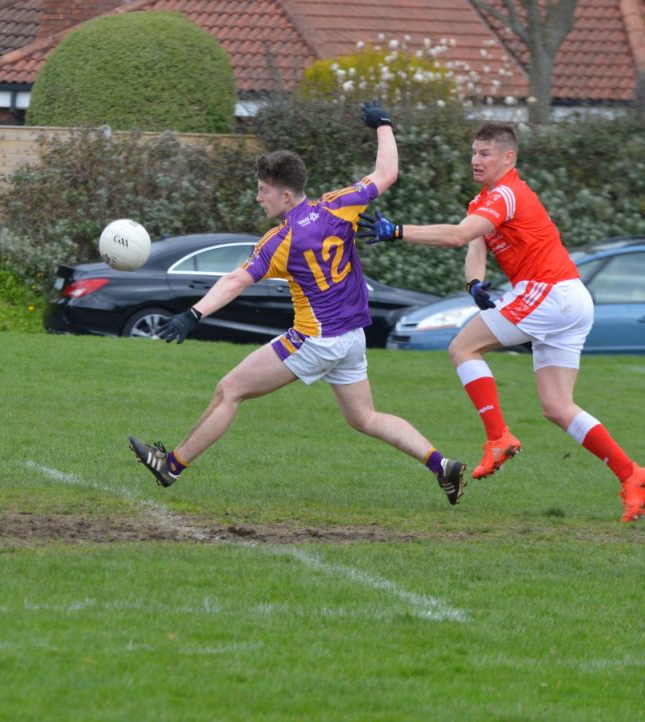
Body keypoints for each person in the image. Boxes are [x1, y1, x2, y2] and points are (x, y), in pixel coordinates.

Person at [128, 103, 468, 507]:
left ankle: (172, 466)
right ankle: (441, 465)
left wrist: (193, 314)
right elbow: (387, 173)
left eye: (263, 190)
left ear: (285, 194)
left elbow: (236, 279)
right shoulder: (339, 204)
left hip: (314, 339)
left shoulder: (279, 241)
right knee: (365, 418)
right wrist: (383, 124)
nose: (258, 198)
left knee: (229, 390)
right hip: (351, 338)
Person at [359, 122, 645, 522]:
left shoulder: (508, 193)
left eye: (485, 154)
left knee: (462, 347)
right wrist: (474, 283)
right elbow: (474, 246)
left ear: (508, 158)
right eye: (474, 152)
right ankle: (632, 474)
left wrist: (398, 231)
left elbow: (459, 236)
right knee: (557, 406)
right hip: (570, 298)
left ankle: (498, 438)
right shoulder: (484, 201)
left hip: (549, 292)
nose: (476, 160)